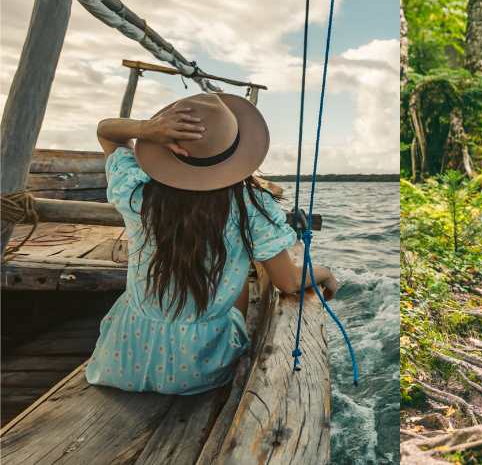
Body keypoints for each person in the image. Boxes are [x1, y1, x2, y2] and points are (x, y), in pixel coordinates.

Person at [85, 92, 339, 395]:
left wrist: (146, 129)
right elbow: (289, 282)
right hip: (198, 367)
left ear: (169, 148)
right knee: (240, 271)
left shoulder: (137, 192)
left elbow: (106, 131)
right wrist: (324, 273)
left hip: (124, 357)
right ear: (237, 156)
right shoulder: (250, 206)